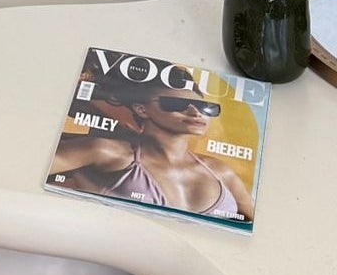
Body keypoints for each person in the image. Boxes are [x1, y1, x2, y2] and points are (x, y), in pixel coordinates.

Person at [47, 76, 257, 221]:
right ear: (141, 109)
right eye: (175, 104)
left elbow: (255, 230)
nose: (195, 113)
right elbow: (34, 163)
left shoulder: (220, 171)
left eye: (204, 107)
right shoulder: (107, 152)